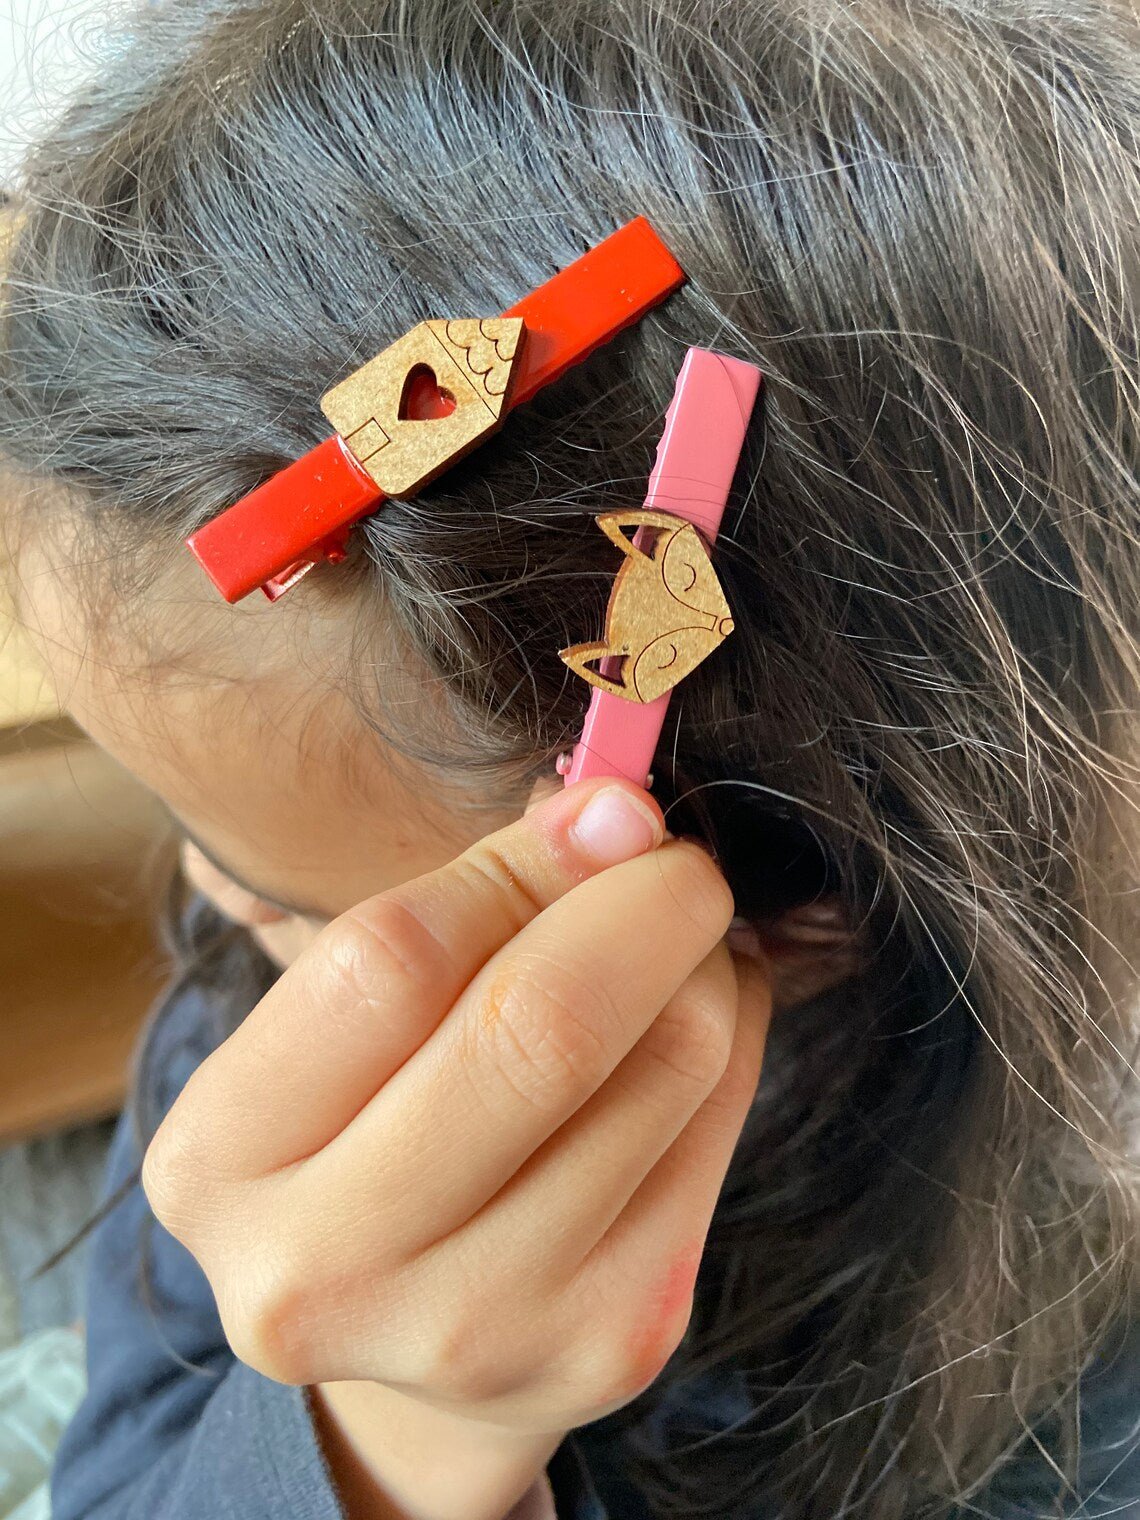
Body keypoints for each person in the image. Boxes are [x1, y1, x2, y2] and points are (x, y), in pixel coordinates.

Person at [1, 0, 1137, 1515]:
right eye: (170, 802)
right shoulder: (241, 1045)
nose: (206, 900)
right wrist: (383, 1448)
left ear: (788, 925)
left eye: (284, 885)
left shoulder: (1064, 1358)